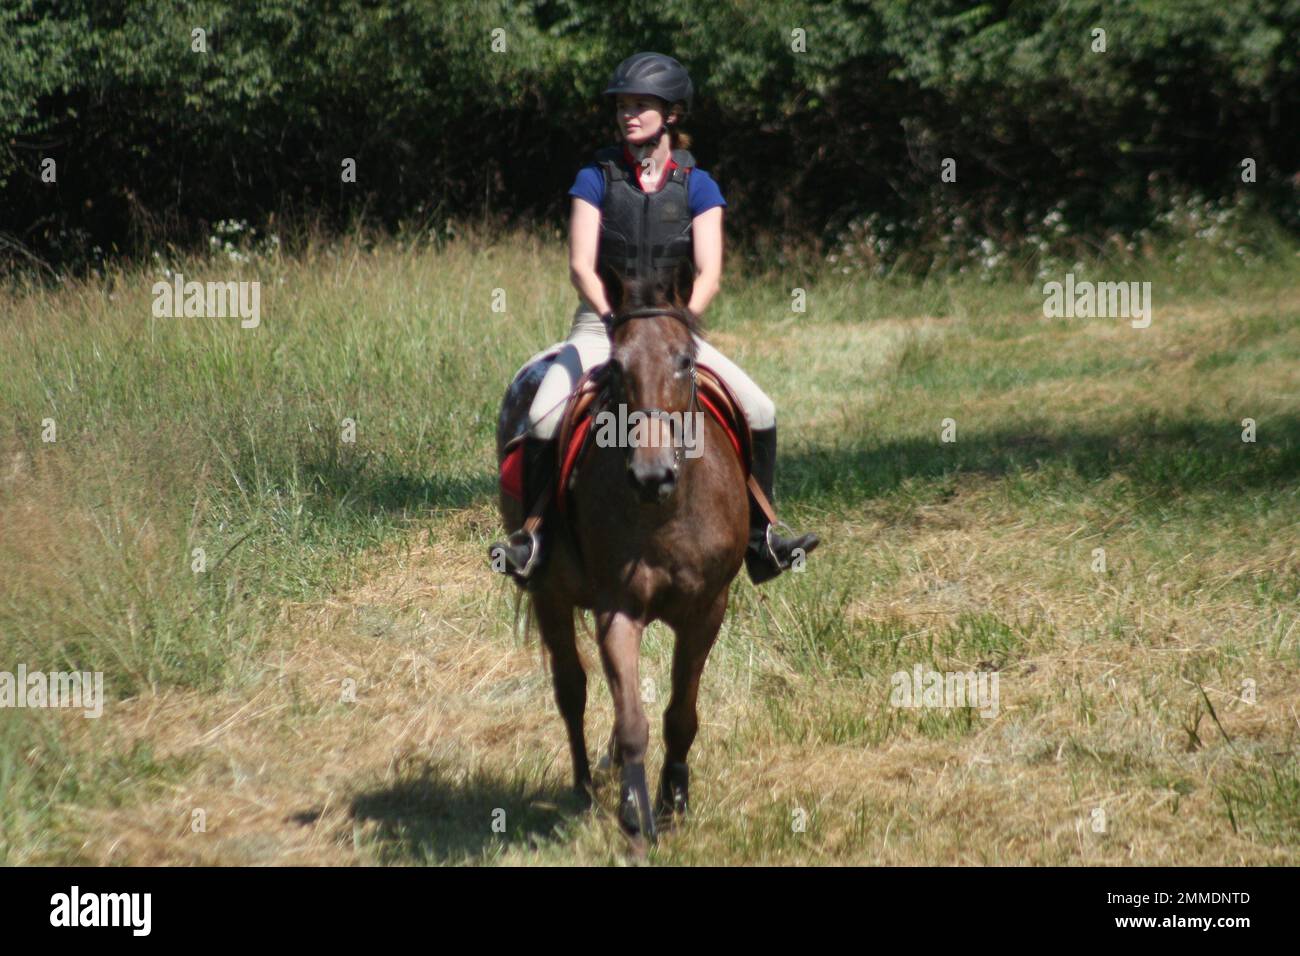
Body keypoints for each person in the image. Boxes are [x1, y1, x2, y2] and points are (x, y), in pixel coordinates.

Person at [491, 52, 819, 585]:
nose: (628, 114)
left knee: (760, 408)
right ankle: (534, 539)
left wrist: (679, 327)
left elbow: (710, 271)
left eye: (641, 105)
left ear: (671, 114)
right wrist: (614, 320)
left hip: (673, 329)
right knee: (546, 415)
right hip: (602, 326)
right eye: (622, 105)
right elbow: (580, 265)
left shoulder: (699, 186)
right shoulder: (593, 178)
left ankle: (764, 536)